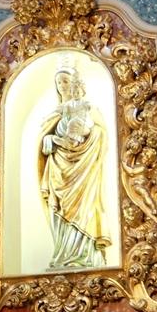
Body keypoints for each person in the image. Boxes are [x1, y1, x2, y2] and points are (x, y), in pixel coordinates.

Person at [39, 63, 111, 269]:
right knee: (59, 209)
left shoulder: (89, 108)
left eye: (66, 81)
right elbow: (41, 140)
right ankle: (63, 254)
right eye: (59, 82)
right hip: (58, 168)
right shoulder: (56, 113)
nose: (63, 86)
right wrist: (53, 141)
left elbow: (101, 133)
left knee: (85, 208)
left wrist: (85, 142)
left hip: (85, 170)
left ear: (78, 86)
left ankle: (87, 256)